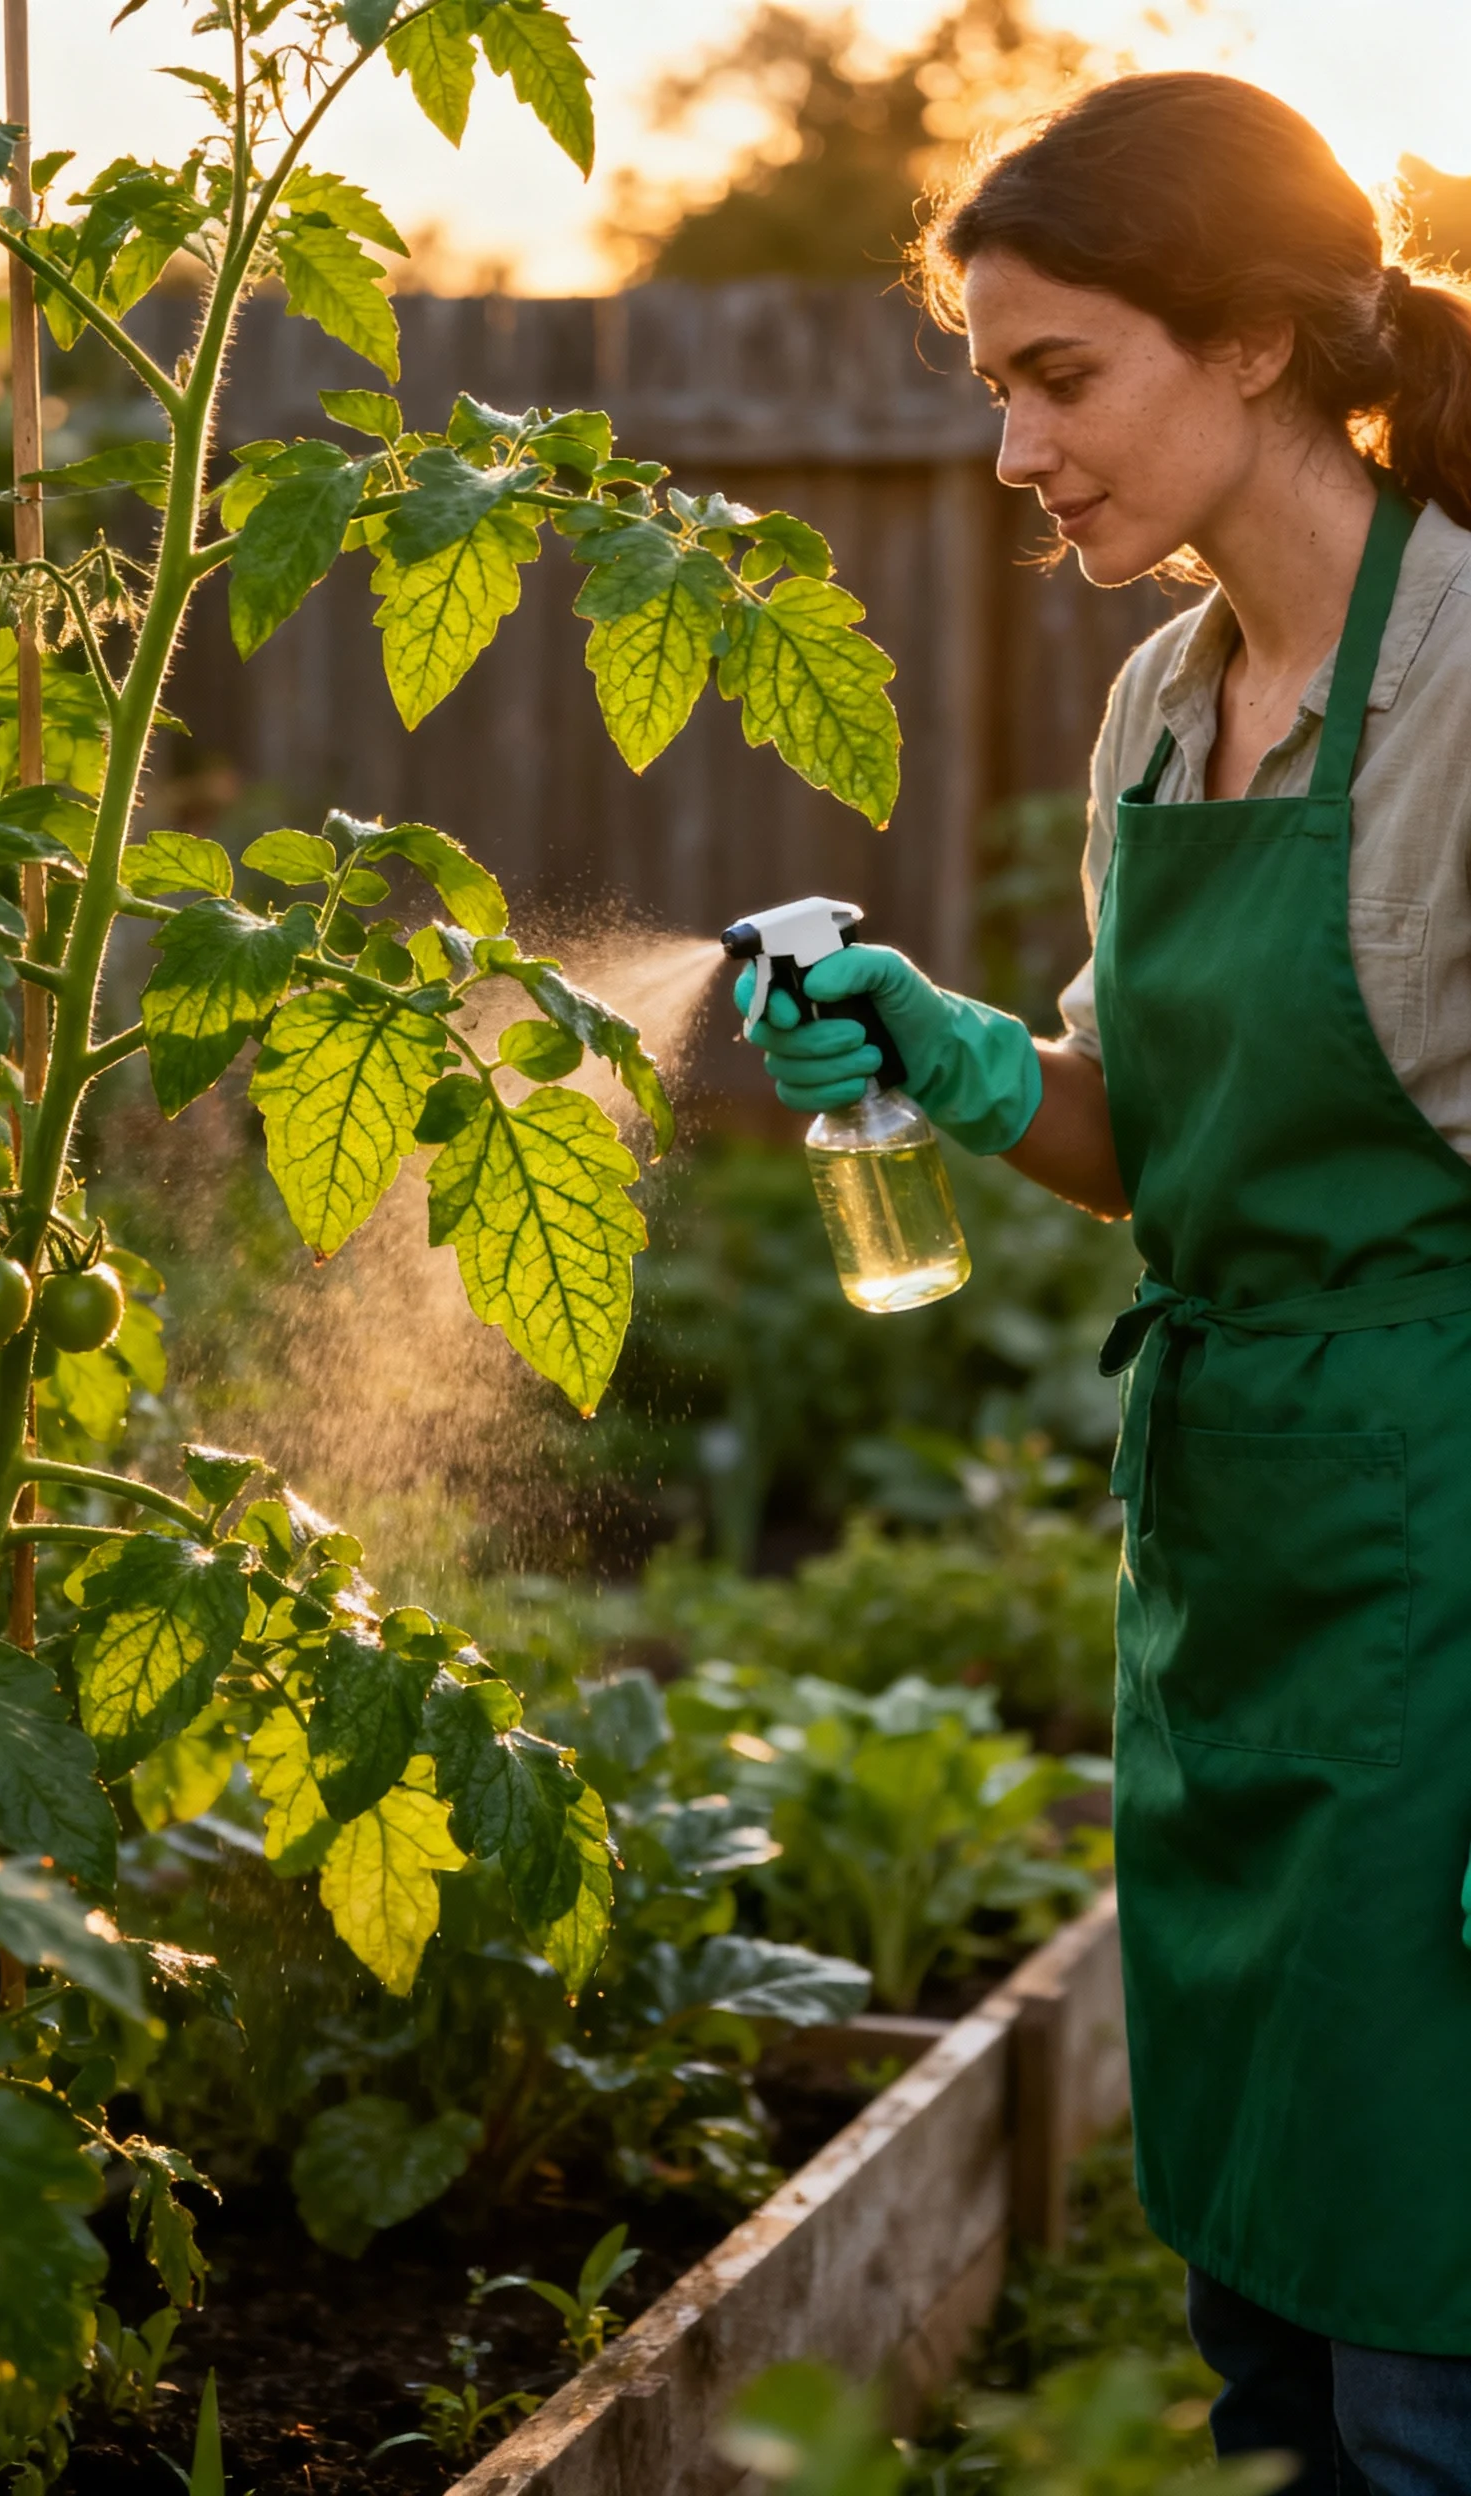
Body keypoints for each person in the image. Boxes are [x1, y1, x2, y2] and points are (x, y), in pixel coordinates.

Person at [735, 71, 1471, 2496]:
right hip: (1239, 1594)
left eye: (1063, 377)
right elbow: (1155, 1145)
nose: (1013, 449)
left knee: (1423, 2365)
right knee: (1263, 2331)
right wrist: (953, 1059)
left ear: (1254, 341)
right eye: (995, 390)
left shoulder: (1463, 684)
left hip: (1443, 1610)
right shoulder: (1166, 704)